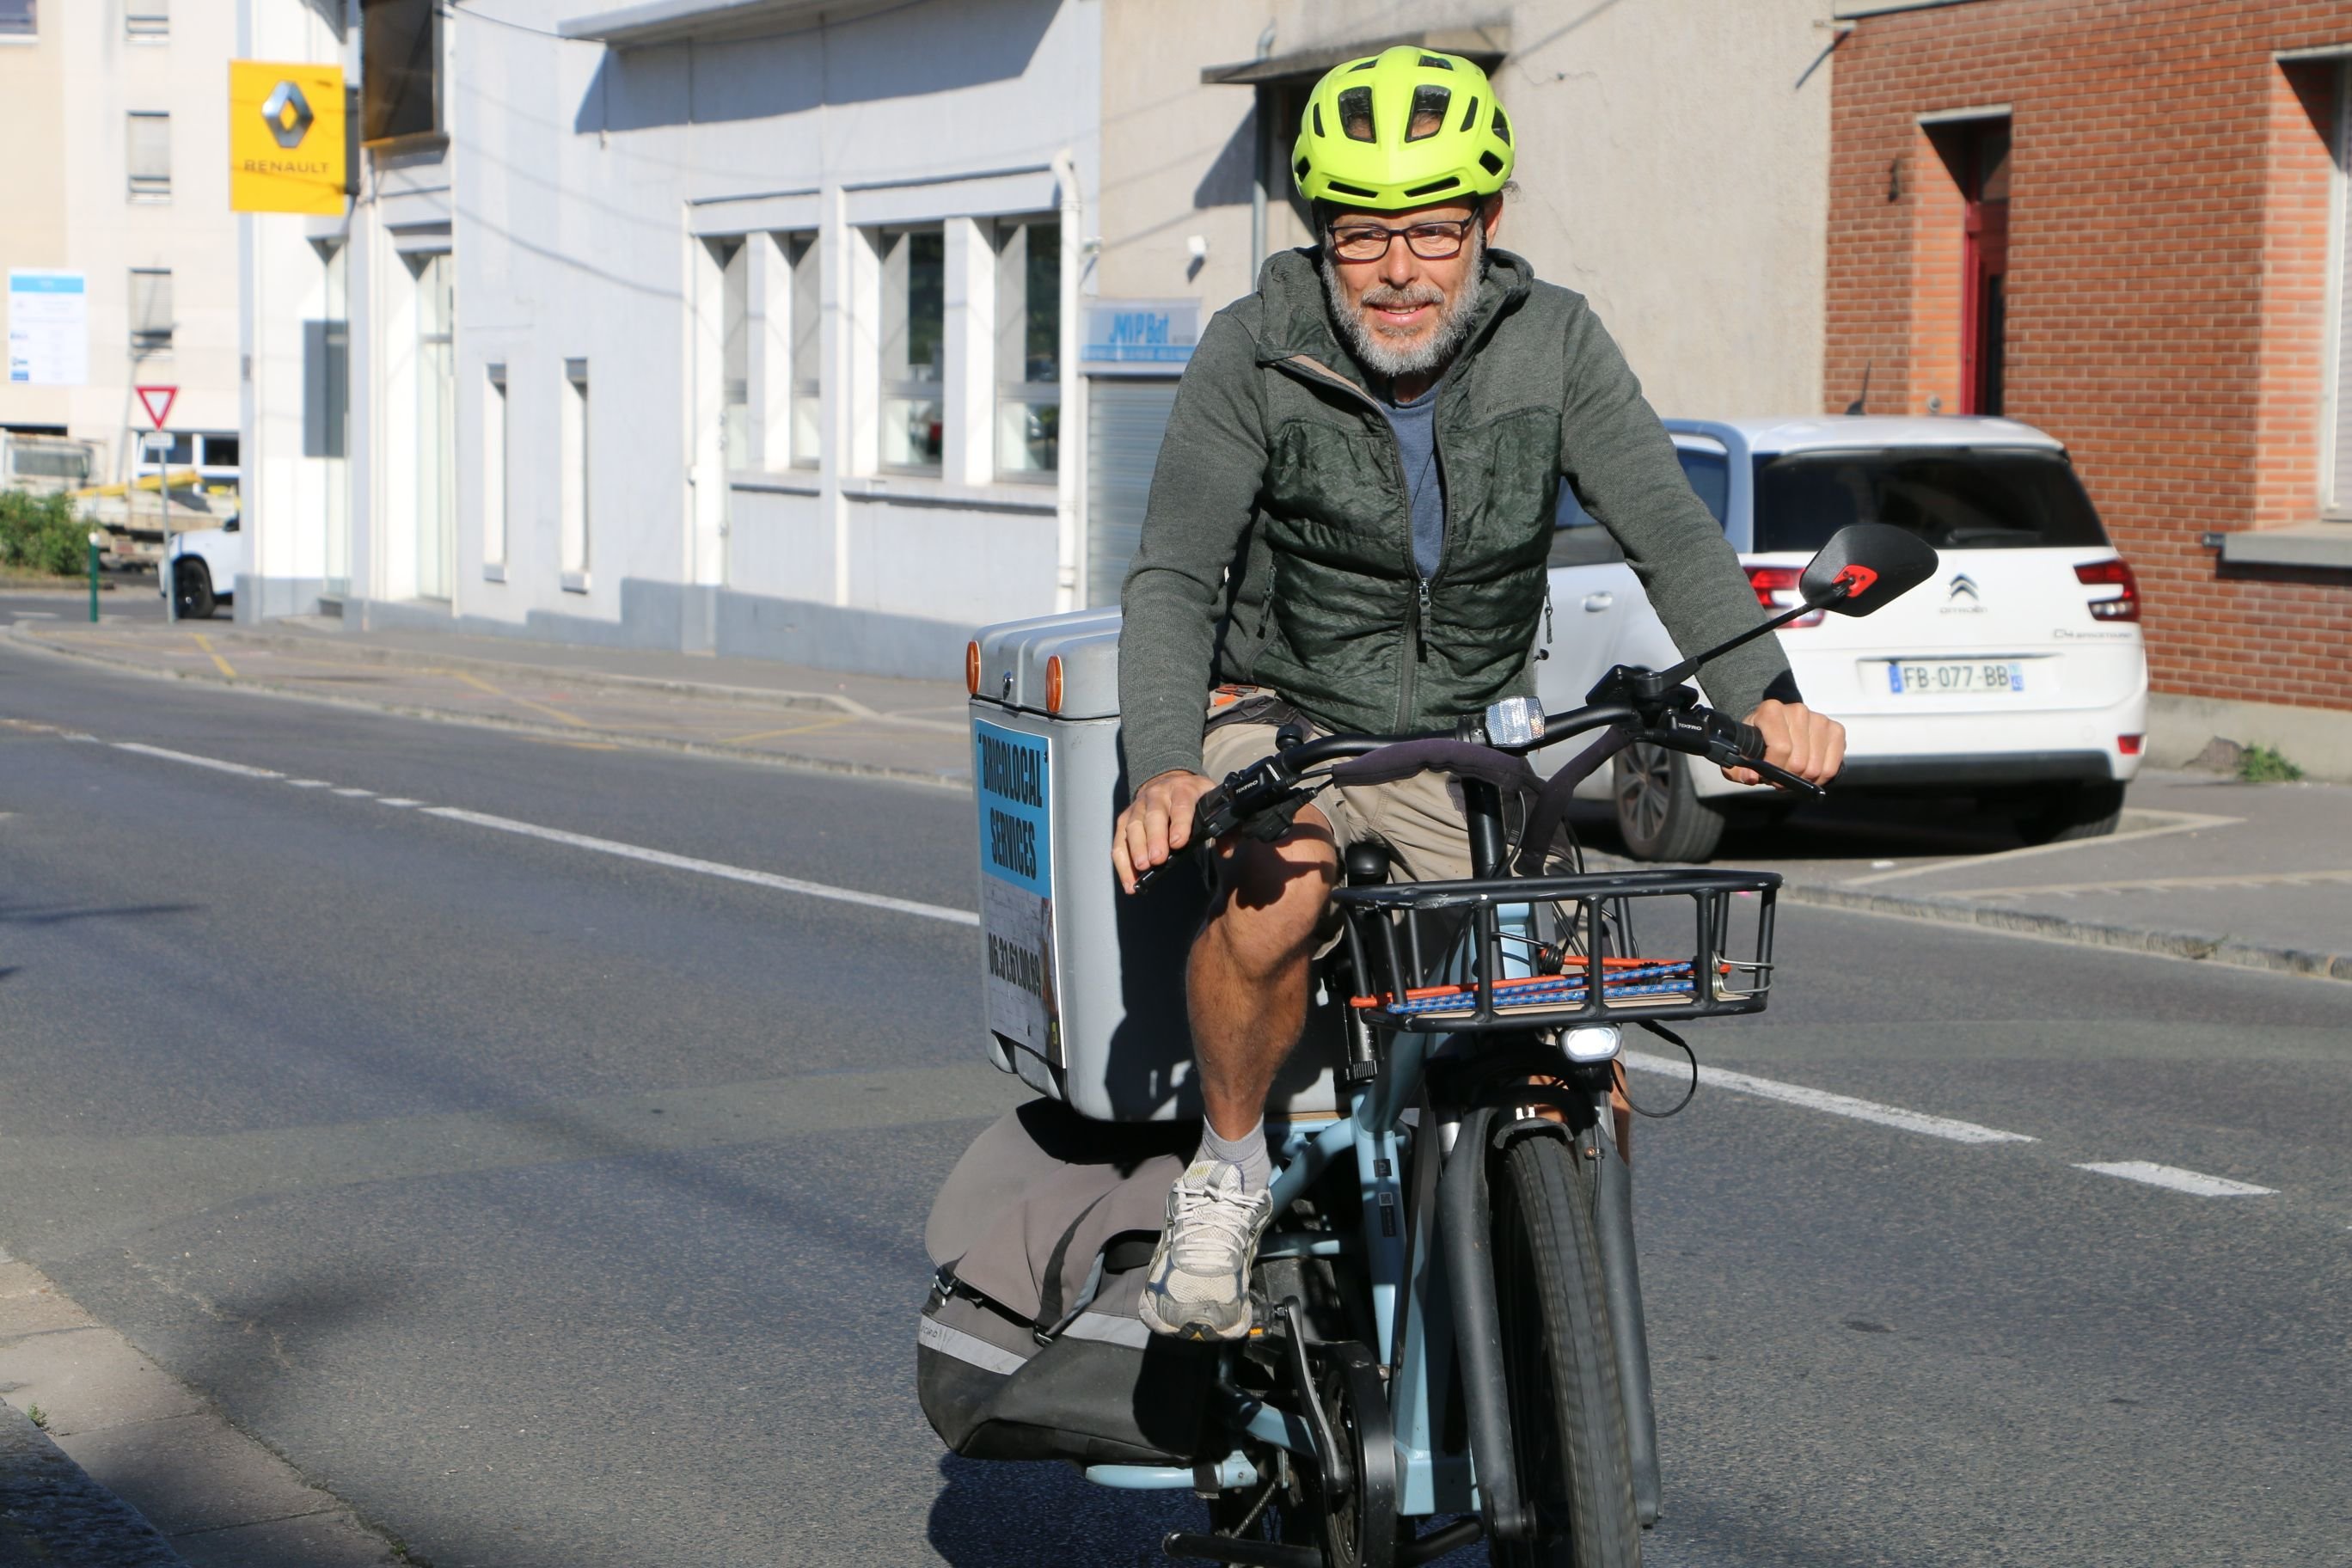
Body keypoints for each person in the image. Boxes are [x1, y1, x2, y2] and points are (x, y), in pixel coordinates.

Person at [1115, 46, 1845, 1341]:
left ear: (1488, 224)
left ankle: (1553, 1303)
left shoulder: (1554, 340)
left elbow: (1670, 533)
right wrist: (1171, 763)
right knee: (1277, 890)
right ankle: (1226, 1180)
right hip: (1288, 708)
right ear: (1322, 237)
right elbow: (1176, 571)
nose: (1401, 270)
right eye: (1364, 237)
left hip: (1469, 735)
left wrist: (1767, 697)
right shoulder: (1253, 350)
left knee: (1576, 1028)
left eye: (1435, 232)